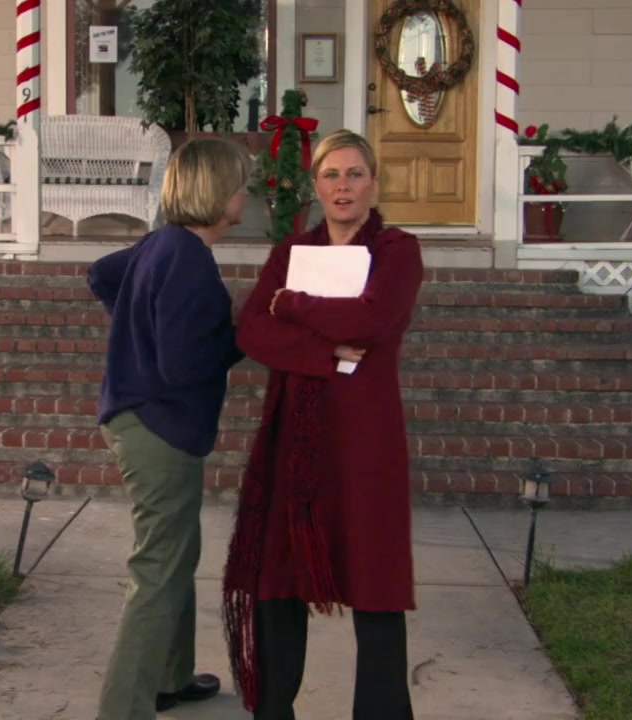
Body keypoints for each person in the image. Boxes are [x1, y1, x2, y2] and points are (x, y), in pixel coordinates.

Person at [223, 129, 423, 720]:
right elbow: (253, 330)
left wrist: (295, 305)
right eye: (331, 174)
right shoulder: (293, 252)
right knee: (279, 575)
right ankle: (273, 710)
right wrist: (325, 353)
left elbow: (372, 319)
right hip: (297, 437)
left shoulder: (397, 251)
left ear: (374, 184)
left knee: (374, 577)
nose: (343, 186)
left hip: (365, 438)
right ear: (315, 185)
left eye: (355, 174)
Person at [87, 137, 250, 720]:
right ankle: (123, 709)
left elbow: (102, 274)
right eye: (240, 184)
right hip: (159, 426)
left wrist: (138, 326)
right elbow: (184, 365)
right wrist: (244, 335)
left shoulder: (163, 243)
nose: (245, 194)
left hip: (135, 416)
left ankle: (168, 679)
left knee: (175, 553)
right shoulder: (188, 259)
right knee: (159, 567)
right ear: (218, 193)